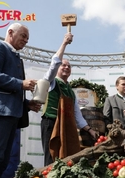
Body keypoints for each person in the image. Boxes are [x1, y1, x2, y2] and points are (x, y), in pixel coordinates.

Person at [0, 23, 41, 178]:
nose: (26, 40)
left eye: (27, 38)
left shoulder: (16, 57)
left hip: (10, 113)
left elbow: (9, 92)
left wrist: (27, 104)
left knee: (2, 160)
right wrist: (21, 83)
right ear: (10, 32)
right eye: (23, 36)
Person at [41, 34, 98, 166]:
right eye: (63, 65)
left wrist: (90, 130)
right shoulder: (51, 82)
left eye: (69, 66)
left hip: (65, 126)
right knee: (51, 156)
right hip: (51, 122)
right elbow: (54, 64)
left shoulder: (71, 92)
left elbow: (77, 115)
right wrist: (64, 43)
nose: (66, 67)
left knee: (66, 157)